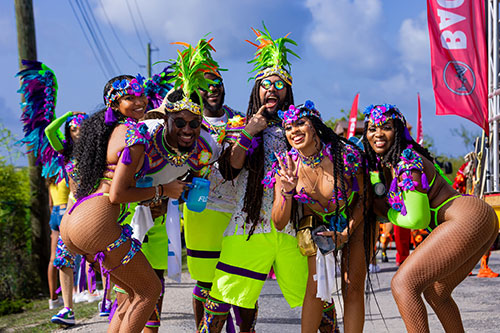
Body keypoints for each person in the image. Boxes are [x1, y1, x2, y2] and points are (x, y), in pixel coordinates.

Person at [199, 25, 309, 333]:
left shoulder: (300, 127)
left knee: (317, 299)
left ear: (288, 92)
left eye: (279, 85)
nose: (272, 89)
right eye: (265, 84)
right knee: (223, 297)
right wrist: (250, 131)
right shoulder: (240, 125)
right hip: (249, 225)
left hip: (292, 227)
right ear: (256, 91)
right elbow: (230, 169)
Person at [362, 104, 499, 333]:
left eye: (386, 127)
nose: (377, 133)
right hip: (479, 218)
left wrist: (385, 212)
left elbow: (417, 219)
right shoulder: (396, 162)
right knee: (437, 292)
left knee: (403, 284)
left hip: (466, 218)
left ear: (398, 131)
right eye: (371, 128)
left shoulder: (406, 162)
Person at [60, 74, 165, 332]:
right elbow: (118, 195)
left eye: (142, 95)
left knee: (131, 294)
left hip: (74, 221)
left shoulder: (105, 133)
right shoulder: (133, 133)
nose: (139, 101)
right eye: (129, 97)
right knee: (149, 290)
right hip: (97, 222)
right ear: (114, 104)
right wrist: (162, 190)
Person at [271, 101, 374, 333]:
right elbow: (278, 223)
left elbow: (366, 196)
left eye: (300, 123)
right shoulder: (286, 166)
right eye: (288, 127)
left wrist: (347, 231)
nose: (293, 131)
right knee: (315, 287)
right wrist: (287, 190)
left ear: (315, 126)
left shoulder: (344, 155)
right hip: (317, 225)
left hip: (354, 220)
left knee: (352, 286)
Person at [182, 69, 244, 328]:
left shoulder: (240, 120)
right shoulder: (186, 122)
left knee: (239, 279)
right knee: (205, 281)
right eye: (205, 86)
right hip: (201, 209)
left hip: (236, 209)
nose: (212, 89)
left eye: (217, 83)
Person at [45, 111, 89, 325]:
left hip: (98, 207)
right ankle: (67, 309)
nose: (77, 132)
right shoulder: (65, 152)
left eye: (81, 127)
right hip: (73, 209)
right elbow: (49, 131)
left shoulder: (99, 148)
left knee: (104, 257)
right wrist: (69, 115)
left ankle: (111, 301)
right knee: (63, 257)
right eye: (73, 129)